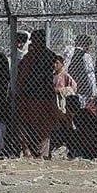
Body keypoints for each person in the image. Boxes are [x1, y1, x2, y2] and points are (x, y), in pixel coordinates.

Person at [17, 29, 59, 158]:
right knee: (44, 125)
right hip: (44, 94)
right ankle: (42, 153)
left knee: (26, 123)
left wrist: (19, 89)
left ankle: (28, 150)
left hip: (30, 94)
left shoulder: (31, 56)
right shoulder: (50, 55)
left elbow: (23, 75)